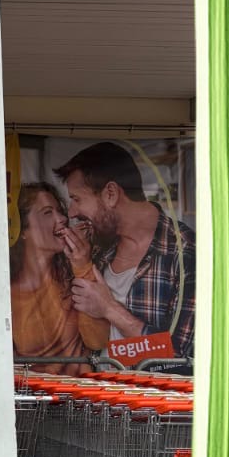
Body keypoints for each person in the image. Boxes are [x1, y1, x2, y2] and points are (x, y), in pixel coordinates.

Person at [54, 141, 197, 361]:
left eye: (77, 199)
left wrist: (109, 308)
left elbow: (180, 356)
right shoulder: (95, 244)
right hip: (94, 382)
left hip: (144, 385)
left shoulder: (184, 252)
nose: (71, 213)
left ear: (110, 194)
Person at [9, 182, 111, 371]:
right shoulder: (7, 295)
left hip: (82, 388)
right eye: (48, 213)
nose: (63, 218)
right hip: (36, 389)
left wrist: (82, 265)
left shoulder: (73, 274)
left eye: (59, 211)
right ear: (21, 230)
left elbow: (97, 341)